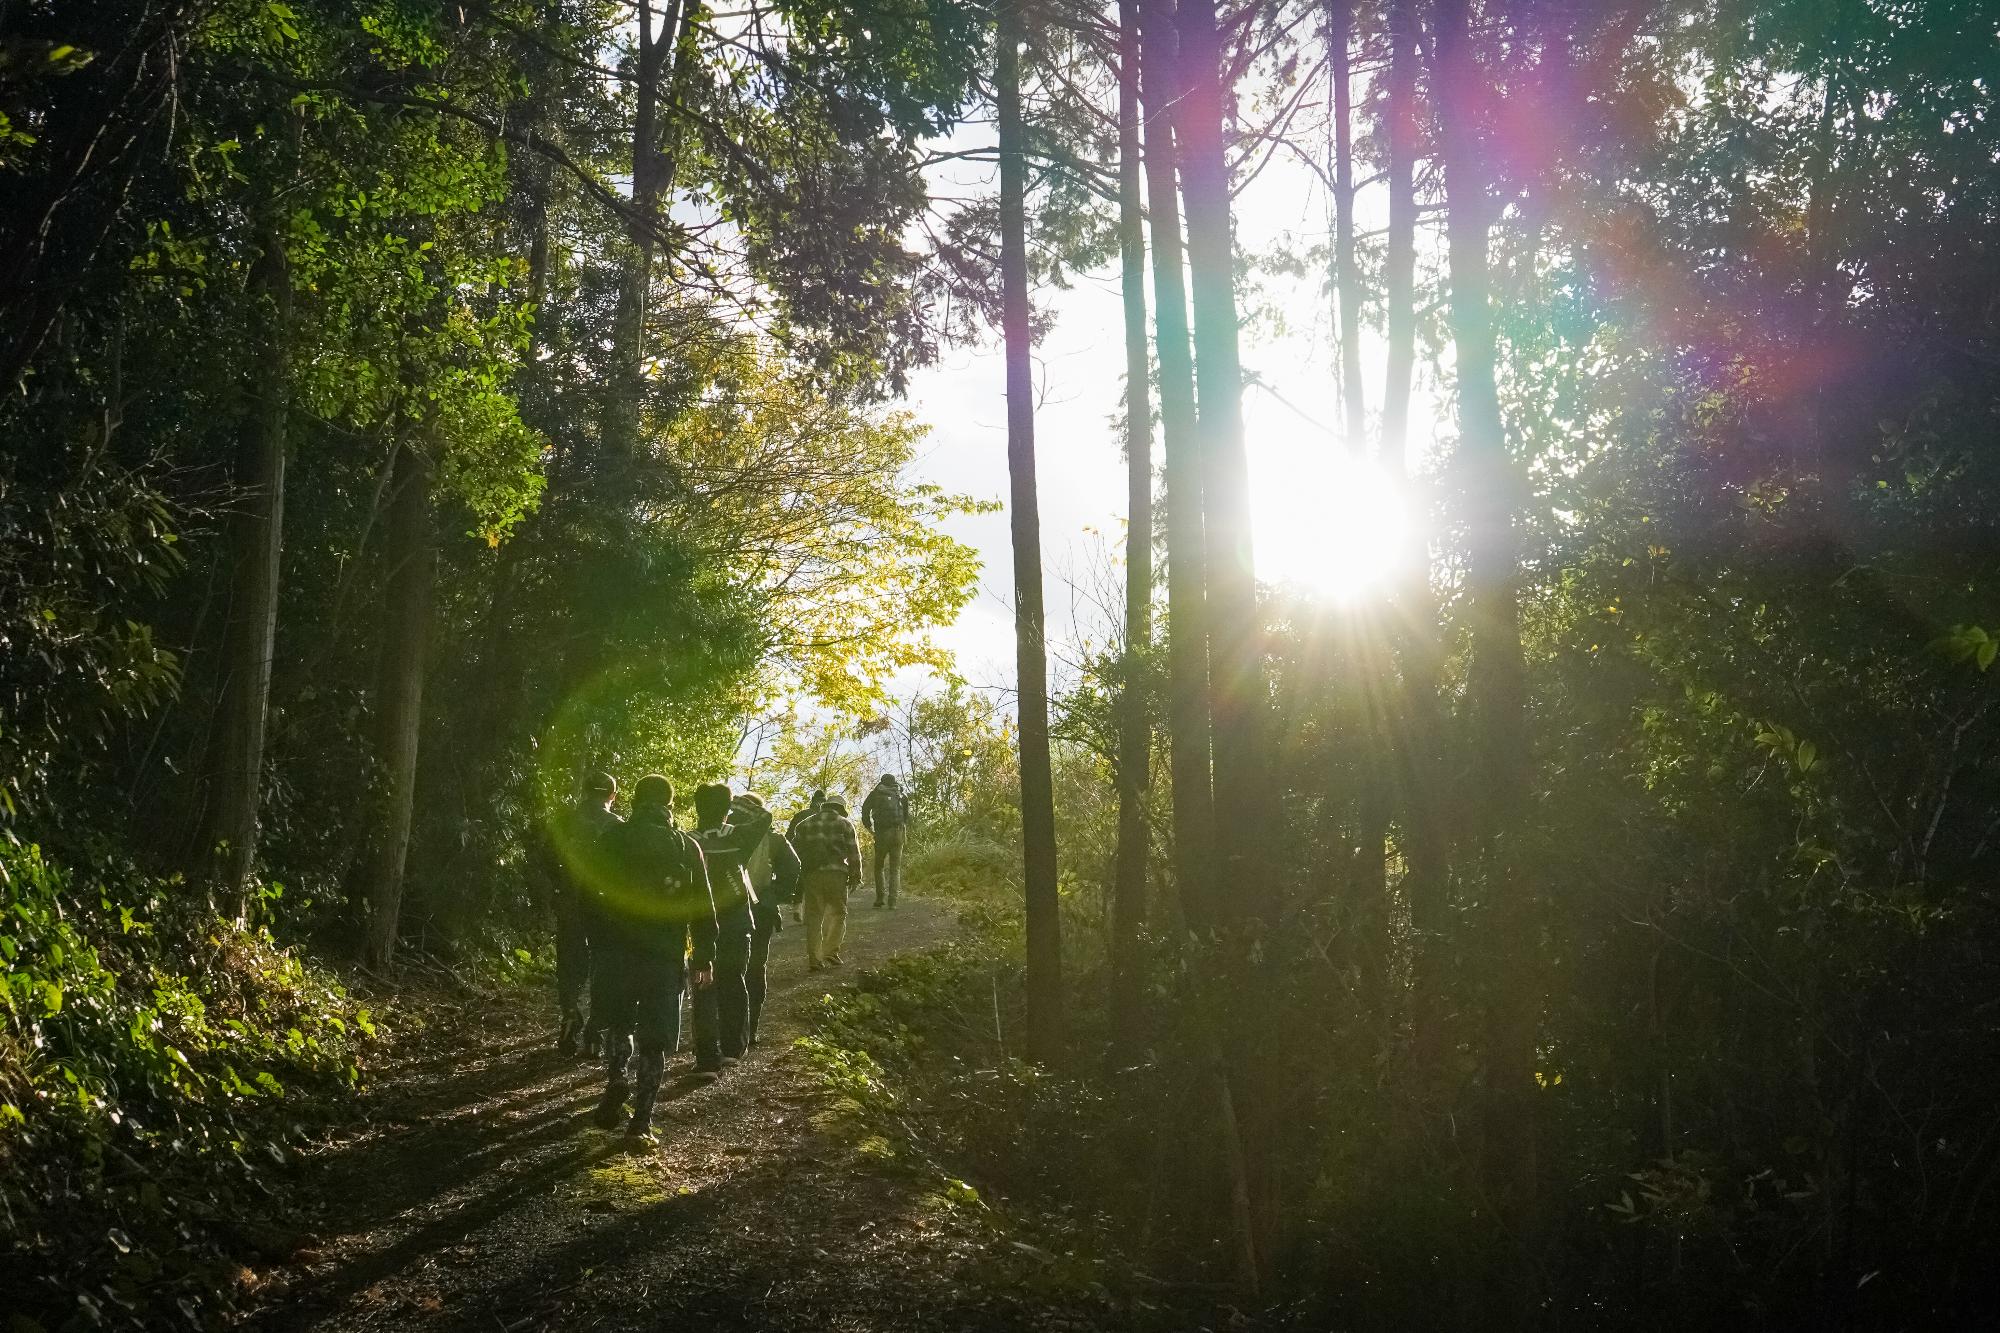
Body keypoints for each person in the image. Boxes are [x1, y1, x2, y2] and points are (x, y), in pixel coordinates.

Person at [593, 774, 716, 1147]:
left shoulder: (612, 839)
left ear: (634, 801)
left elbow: (589, 893)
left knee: (618, 1022)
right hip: (663, 954)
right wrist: (703, 958)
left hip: (616, 950)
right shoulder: (685, 846)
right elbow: (703, 906)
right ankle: (641, 1123)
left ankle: (616, 1077)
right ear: (670, 805)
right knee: (655, 1038)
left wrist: (594, 940)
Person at [688, 782, 772, 1071]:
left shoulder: (689, 840)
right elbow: (765, 816)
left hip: (698, 924)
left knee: (702, 986)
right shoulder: (737, 836)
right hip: (736, 920)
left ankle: (706, 1058)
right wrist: (733, 804)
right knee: (734, 982)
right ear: (726, 809)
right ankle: (733, 1049)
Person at [541, 771, 622, 1057]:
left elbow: (547, 858)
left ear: (585, 791)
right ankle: (594, 1033)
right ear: (612, 795)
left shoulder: (564, 821)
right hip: (603, 907)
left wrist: (559, 888)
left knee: (569, 963)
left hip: (569, 902)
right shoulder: (617, 826)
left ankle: (570, 1011)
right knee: (603, 966)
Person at [730, 791, 800, 1046]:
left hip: (727, 911)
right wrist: (774, 897)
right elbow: (793, 867)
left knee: (728, 968)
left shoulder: (725, 835)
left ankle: (726, 1032)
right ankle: (750, 1028)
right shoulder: (774, 839)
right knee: (755, 967)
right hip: (761, 911)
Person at [792, 795, 861, 969]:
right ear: (840, 808)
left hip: (812, 875)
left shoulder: (804, 824)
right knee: (838, 913)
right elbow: (854, 853)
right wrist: (855, 875)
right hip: (837, 874)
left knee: (814, 916)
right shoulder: (845, 824)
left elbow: (794, 853)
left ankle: (814, 959)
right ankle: (830, 953)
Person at [860, 774, 910, 910]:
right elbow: (906, 815)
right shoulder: (900, 793)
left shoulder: (876, 793)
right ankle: (893, 902)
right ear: (894, 782)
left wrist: (869, 827)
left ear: (881, 782)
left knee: (879, 866)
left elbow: (865, 809)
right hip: (897, 833)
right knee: (895, 869)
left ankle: (880, 898)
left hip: (882, 833)